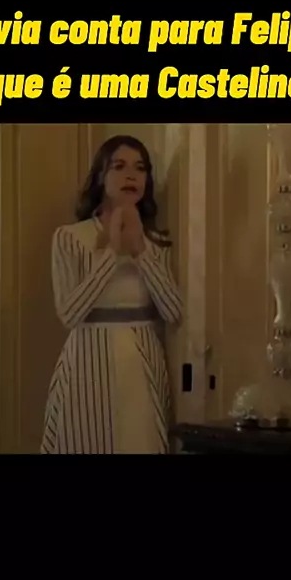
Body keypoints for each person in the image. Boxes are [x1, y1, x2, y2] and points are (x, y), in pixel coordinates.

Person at [41, 135, 183, 454]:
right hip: (86, 364)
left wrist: (140, 251)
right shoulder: (69, 238)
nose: (131, 175)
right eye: (119, 166)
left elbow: (173, 311)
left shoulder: (156, 243)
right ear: (101, 177)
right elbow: (69, 313)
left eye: (140, 168)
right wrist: (113, 253)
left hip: (142, 363)